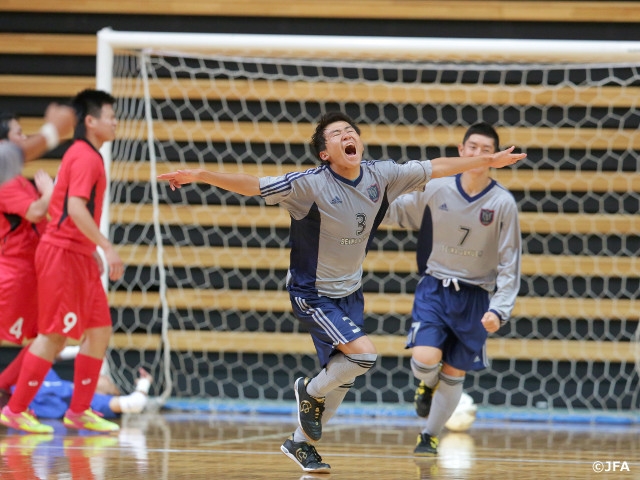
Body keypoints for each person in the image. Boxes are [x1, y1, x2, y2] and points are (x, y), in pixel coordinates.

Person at [157, 112, 526, 473]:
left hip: (351, 292)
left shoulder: (381, 175)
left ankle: (300, 442)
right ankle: (309, 390)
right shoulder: (307, 185)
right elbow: (253, 184)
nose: (347, 135)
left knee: (345, 376)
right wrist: (202, 175)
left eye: (351, 130)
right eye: (337, 134)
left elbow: (435, 167)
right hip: (312, 292)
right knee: (364, 356)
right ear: (325, 153)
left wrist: (490, 160)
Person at [382, 122, 521, 456]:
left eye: (486, 150)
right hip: (436, 287)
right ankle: (426, 385)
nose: (477, 154)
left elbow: (510, 263)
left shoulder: (502, 203)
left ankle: (428, 435)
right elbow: (400, 211)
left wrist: (500, 309)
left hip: (476, 297)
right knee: (425, 357)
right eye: (471, 147)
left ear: (495, 158)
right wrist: (362, 205)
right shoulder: (437, 188)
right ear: (461, 151)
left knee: (455, 371)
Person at [0, 89, 124, 434]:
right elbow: (73, 208)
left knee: (99, 330)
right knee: (54, 334)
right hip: (62, 254)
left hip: (78, 253)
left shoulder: (90, 155)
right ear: (90, 121)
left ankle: (79, 410)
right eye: (109, 115)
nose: (115, 121)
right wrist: (106, 247)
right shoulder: (84, 156)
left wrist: (91, 251)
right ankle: (15, 408)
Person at [0, 112, 55, 407]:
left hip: (31, 271)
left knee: (50, 337)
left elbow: (41, 220)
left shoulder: (20, 180)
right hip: (12, 273)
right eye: (18, 134)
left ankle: (5, 388)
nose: (24, 139)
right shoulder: (6, 182)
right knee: (50, 337)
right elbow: (35, 212)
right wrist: (50, 192)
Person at [0, 103, 75, 187]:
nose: (25, 138)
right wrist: (54, 131)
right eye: (19, 133)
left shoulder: (15, 177)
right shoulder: (8, 183)